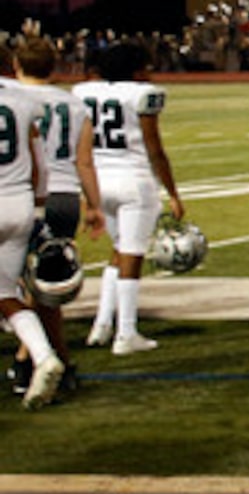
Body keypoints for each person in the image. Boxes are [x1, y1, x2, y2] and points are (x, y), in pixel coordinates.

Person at [74, 41, 183, 356]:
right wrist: (173, 192)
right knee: (132, 255)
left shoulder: (84, 92)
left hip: (98, 181)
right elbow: (154, 149)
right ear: (135, 69)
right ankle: (127, 332)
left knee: (119, 253)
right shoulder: (141, 95)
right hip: (133, 181)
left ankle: (102, 325)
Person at [9, 36, 87, 396]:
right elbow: (78, 160)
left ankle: (36, 359)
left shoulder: (20, 98)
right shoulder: (68, 103)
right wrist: (95, 205)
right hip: (58, 194)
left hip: (22, 193)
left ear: (17, 65)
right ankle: (39, 359)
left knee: (19, 290)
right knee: (43, 290)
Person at [0, 67, 69, 406]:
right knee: (7, 294)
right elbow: (38, 162)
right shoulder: (23, 99)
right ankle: (42, 357)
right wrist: (39, 206)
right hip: (19, 205)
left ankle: (42, 357)